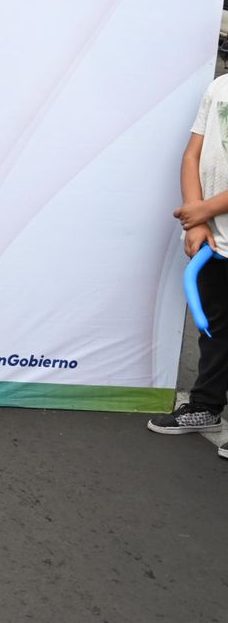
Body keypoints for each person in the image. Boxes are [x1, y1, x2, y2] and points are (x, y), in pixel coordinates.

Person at [148, 70, 228, 448]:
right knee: (215, 329)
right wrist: (197, 220)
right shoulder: (220, 86)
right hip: (215, 240)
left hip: (208, 221)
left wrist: (200, 211)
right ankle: (206, 406)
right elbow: (192, 153)